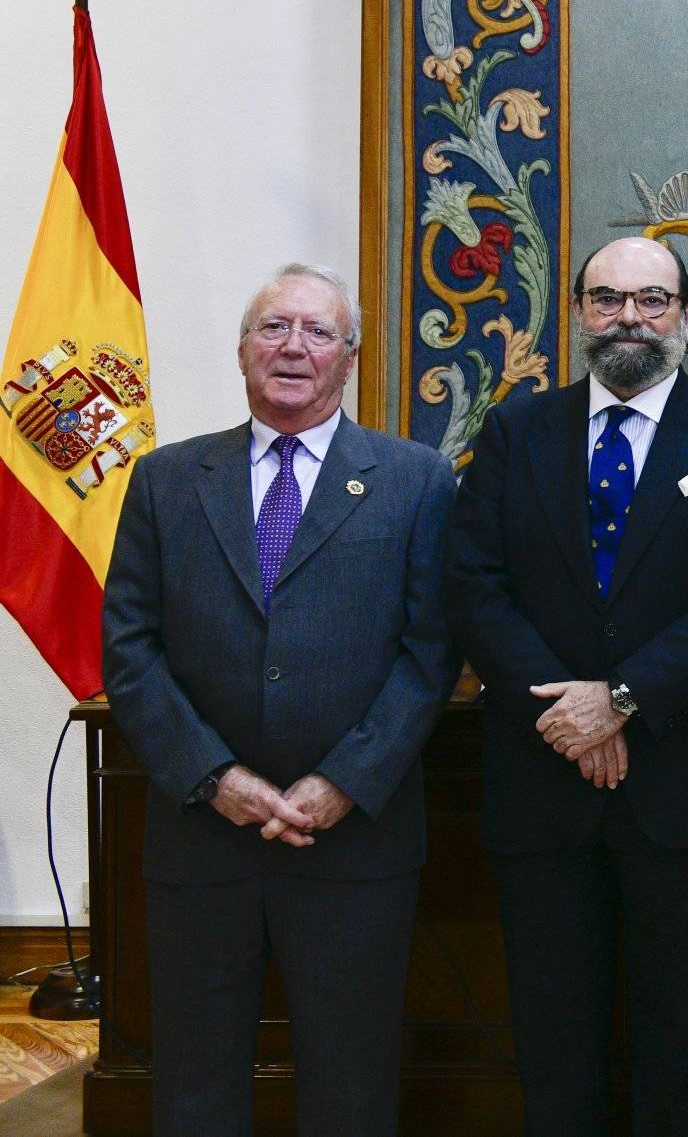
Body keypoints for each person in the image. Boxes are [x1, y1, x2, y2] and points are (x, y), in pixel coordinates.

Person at [443, 235, 688, 1137]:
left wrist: (622, 698)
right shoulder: (518, 429)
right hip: (541, 777)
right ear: (578, 313)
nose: (628, 317)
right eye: (607, 300)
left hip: (684, 783)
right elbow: (475, 584)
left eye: (651, 299)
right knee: (553, 1034)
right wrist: (570, 715)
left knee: (679, 1037)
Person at [100, 262, 455, 1137]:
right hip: (202, 835)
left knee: (351, 1080)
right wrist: (214, 775)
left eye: (317, 331)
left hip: (355, 841)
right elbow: (129, 648)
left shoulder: (417, 481)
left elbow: (433, 653)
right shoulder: (165, 479)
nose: (293, 346)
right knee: (192, 1077)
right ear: (241, 351)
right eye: (273, 327)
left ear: (351, 357)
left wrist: (342, 780)